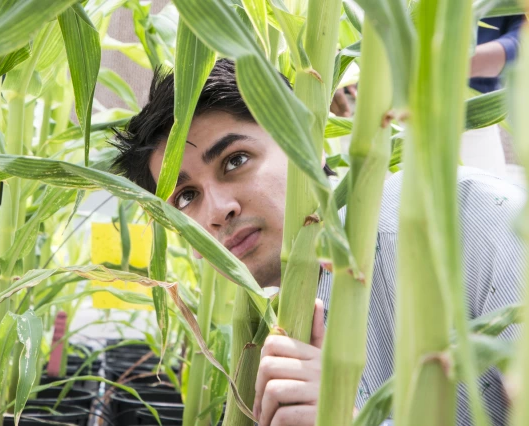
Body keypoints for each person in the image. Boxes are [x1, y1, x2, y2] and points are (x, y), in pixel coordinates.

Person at [112, 59, 526, 426]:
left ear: (304, 144)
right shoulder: (271, 332)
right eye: (186, 197)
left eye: (235, 160)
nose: (218, 210)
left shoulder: (476, 220)